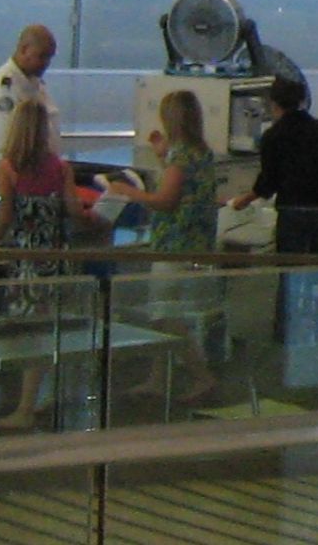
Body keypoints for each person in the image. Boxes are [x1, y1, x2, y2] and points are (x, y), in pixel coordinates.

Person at [102, 89, 220, 403]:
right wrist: (161, 156)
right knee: (165, 310)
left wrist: (129, 192)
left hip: (175, 243)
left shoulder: (181, 157)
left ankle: (200, 374)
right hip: (195, 241)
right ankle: (158, 377)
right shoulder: (200, 152)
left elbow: (166, 200)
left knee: (164, 313)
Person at [0, 99, 96, 430]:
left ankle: (24, 408)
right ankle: (47, 395)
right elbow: (76, 212)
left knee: (28, 331)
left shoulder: (6, 168)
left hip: (26, 259)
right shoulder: (60, 168)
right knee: (51, 328)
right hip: (56, 255)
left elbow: (5, 217)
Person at [228, 75, 318, 341]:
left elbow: (268, 182)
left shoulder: (273, 136)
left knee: (288, 272)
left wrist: (244, 199)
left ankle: (286, 330)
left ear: (272, 102)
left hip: (292, 210)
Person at [0, 25, 60, 194]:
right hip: (0, 178)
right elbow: (10, 145)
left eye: (49, 58)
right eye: (42, 56)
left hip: (31, 173)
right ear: (24, 49)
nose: (46, 63)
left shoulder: (34, 84)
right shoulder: (2, 90)